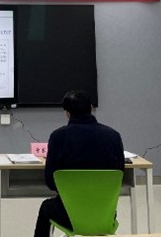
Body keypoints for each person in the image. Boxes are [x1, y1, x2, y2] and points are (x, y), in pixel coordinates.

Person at [33, 90, 124, 237]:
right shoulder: (113, 136)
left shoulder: (58, 137)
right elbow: (120, 175)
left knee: (46, 207)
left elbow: (51, 182)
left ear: (67, 113)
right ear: (91, 108)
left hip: (69, 215)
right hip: (105, 214)